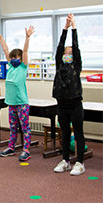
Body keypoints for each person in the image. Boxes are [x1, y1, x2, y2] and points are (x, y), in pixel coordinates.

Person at [0, 25, 35, 161]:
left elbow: (26, 50)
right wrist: (0, 37)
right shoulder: (10, 66)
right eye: (13, 57)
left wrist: (27, 38)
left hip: (22, 103)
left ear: (21, 58)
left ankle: (26, 150)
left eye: (18, 57)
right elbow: (5, 49)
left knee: (25, 127)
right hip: (11, 103)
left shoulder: (23, 67)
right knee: (13, 127)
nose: (15, 59)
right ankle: (11, 147)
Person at [52, 13, 85, 176]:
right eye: (66, 52)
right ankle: (65, 161)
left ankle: (79, 162)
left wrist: (74, 27)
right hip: (62, 105)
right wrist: (64, 28)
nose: (68, 54)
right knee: (65, 134)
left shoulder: (76, 66)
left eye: (70, 52)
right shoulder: (59, 66)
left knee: (78, 134)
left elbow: (75, 45)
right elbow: (60, 46)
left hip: (75, 104)